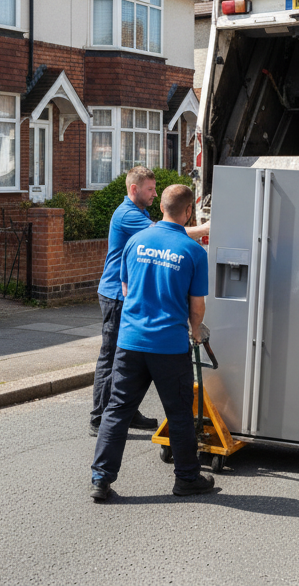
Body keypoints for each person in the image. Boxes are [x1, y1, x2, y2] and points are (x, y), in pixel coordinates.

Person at [90, 183, 215, 502]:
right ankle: (186, 478)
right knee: (179, 412)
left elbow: (127, 287)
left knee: (117, 409)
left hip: (130, 341)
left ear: (160, 207)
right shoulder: (194, 251)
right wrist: (196, 330)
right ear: (188, 212)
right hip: (169, 346)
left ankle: (100, 478)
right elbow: (196, 306)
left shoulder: (135, 242)